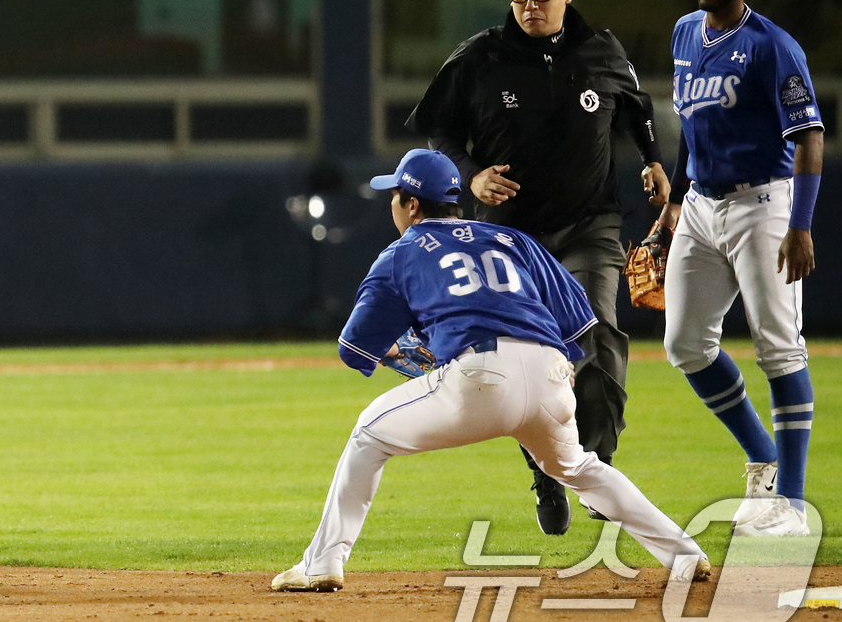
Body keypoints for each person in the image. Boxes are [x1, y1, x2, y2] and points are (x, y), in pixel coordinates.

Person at [272, 149, 709, 592]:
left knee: (369, 433)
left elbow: (354, 348)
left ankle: (322, 563)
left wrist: (397, 351)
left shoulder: (400, 254)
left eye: (396, 196)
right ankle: (685, 555)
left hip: (478, 378)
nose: (393, 205)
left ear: (413, 205)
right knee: (579, 468)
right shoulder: (511, 240)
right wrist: (561, 368)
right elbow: (580, 323)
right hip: (551, 374)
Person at [407, 0, 668, 535]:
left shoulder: (601, 50)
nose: (531, 4)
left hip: (590, 224)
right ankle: (548, 471)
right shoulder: (480, 58)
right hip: (511, 237)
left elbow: (636, 106)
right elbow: (436, 129)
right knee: (527, 363)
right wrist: (469, 173)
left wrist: (652, 160)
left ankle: (593, 467)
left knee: (596, 339)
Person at [656, 0, 822, 537]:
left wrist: (800, 226)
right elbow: (688, 124)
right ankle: (764, 462)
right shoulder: (683, 33)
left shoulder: (772, 46)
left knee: (779, 348)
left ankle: (794, 506)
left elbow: (808, 137)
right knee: (684, 345)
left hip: (764, 204)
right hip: (700, 204)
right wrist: (674, 200)